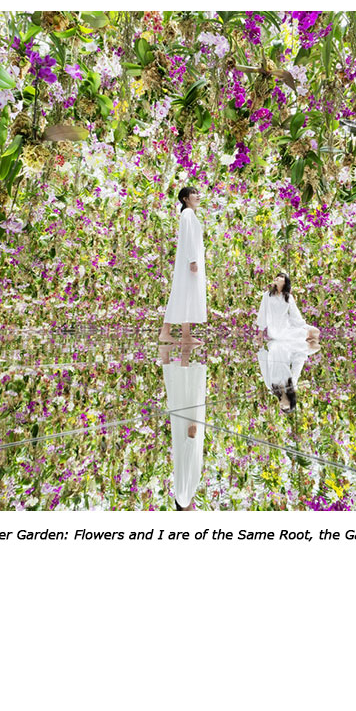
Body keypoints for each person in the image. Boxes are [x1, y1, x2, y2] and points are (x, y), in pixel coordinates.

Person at [160, 343, 206, 511]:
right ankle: (167, 355)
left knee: (186, 397)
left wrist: (191, 439)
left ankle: (184, 351)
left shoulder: (184, 498)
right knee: (181, 398)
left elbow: (186, 468)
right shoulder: (184, 497)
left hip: (188, 437)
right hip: (187, 439)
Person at [159, 186, 207, 346]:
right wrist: (193, 260)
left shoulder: (190, 214)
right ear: (185, 199)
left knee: (186, 295)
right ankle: (165, 332)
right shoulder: (187, 214)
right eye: (193, 193)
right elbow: (188, 238)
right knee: (182, 294)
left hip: (189, 261)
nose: (197, 195)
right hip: (189, 262)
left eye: (197, 192)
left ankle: (185, 334)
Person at [257, 339, 319, 414]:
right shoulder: (292, 384)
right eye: (285, 407)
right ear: (290, 402)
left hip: (272, 348)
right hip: (285, 348)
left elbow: (264, 368)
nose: (282, 406)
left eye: (281, 408)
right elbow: (297, 364)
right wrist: (302, 351)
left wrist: (261, 349)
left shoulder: (271, 388)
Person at [255, 272, 320, 344]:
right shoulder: (267, 295)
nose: (277, 278)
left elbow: (294, 314)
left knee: (314, 331)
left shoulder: (288, 297)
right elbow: (262, 312)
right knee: (304, 335)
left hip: (286, 327)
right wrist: (260, 331)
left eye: (281, 277)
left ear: (285, 283)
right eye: (277, 276)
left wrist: (303, 325)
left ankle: (305, 337)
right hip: (274, 331)